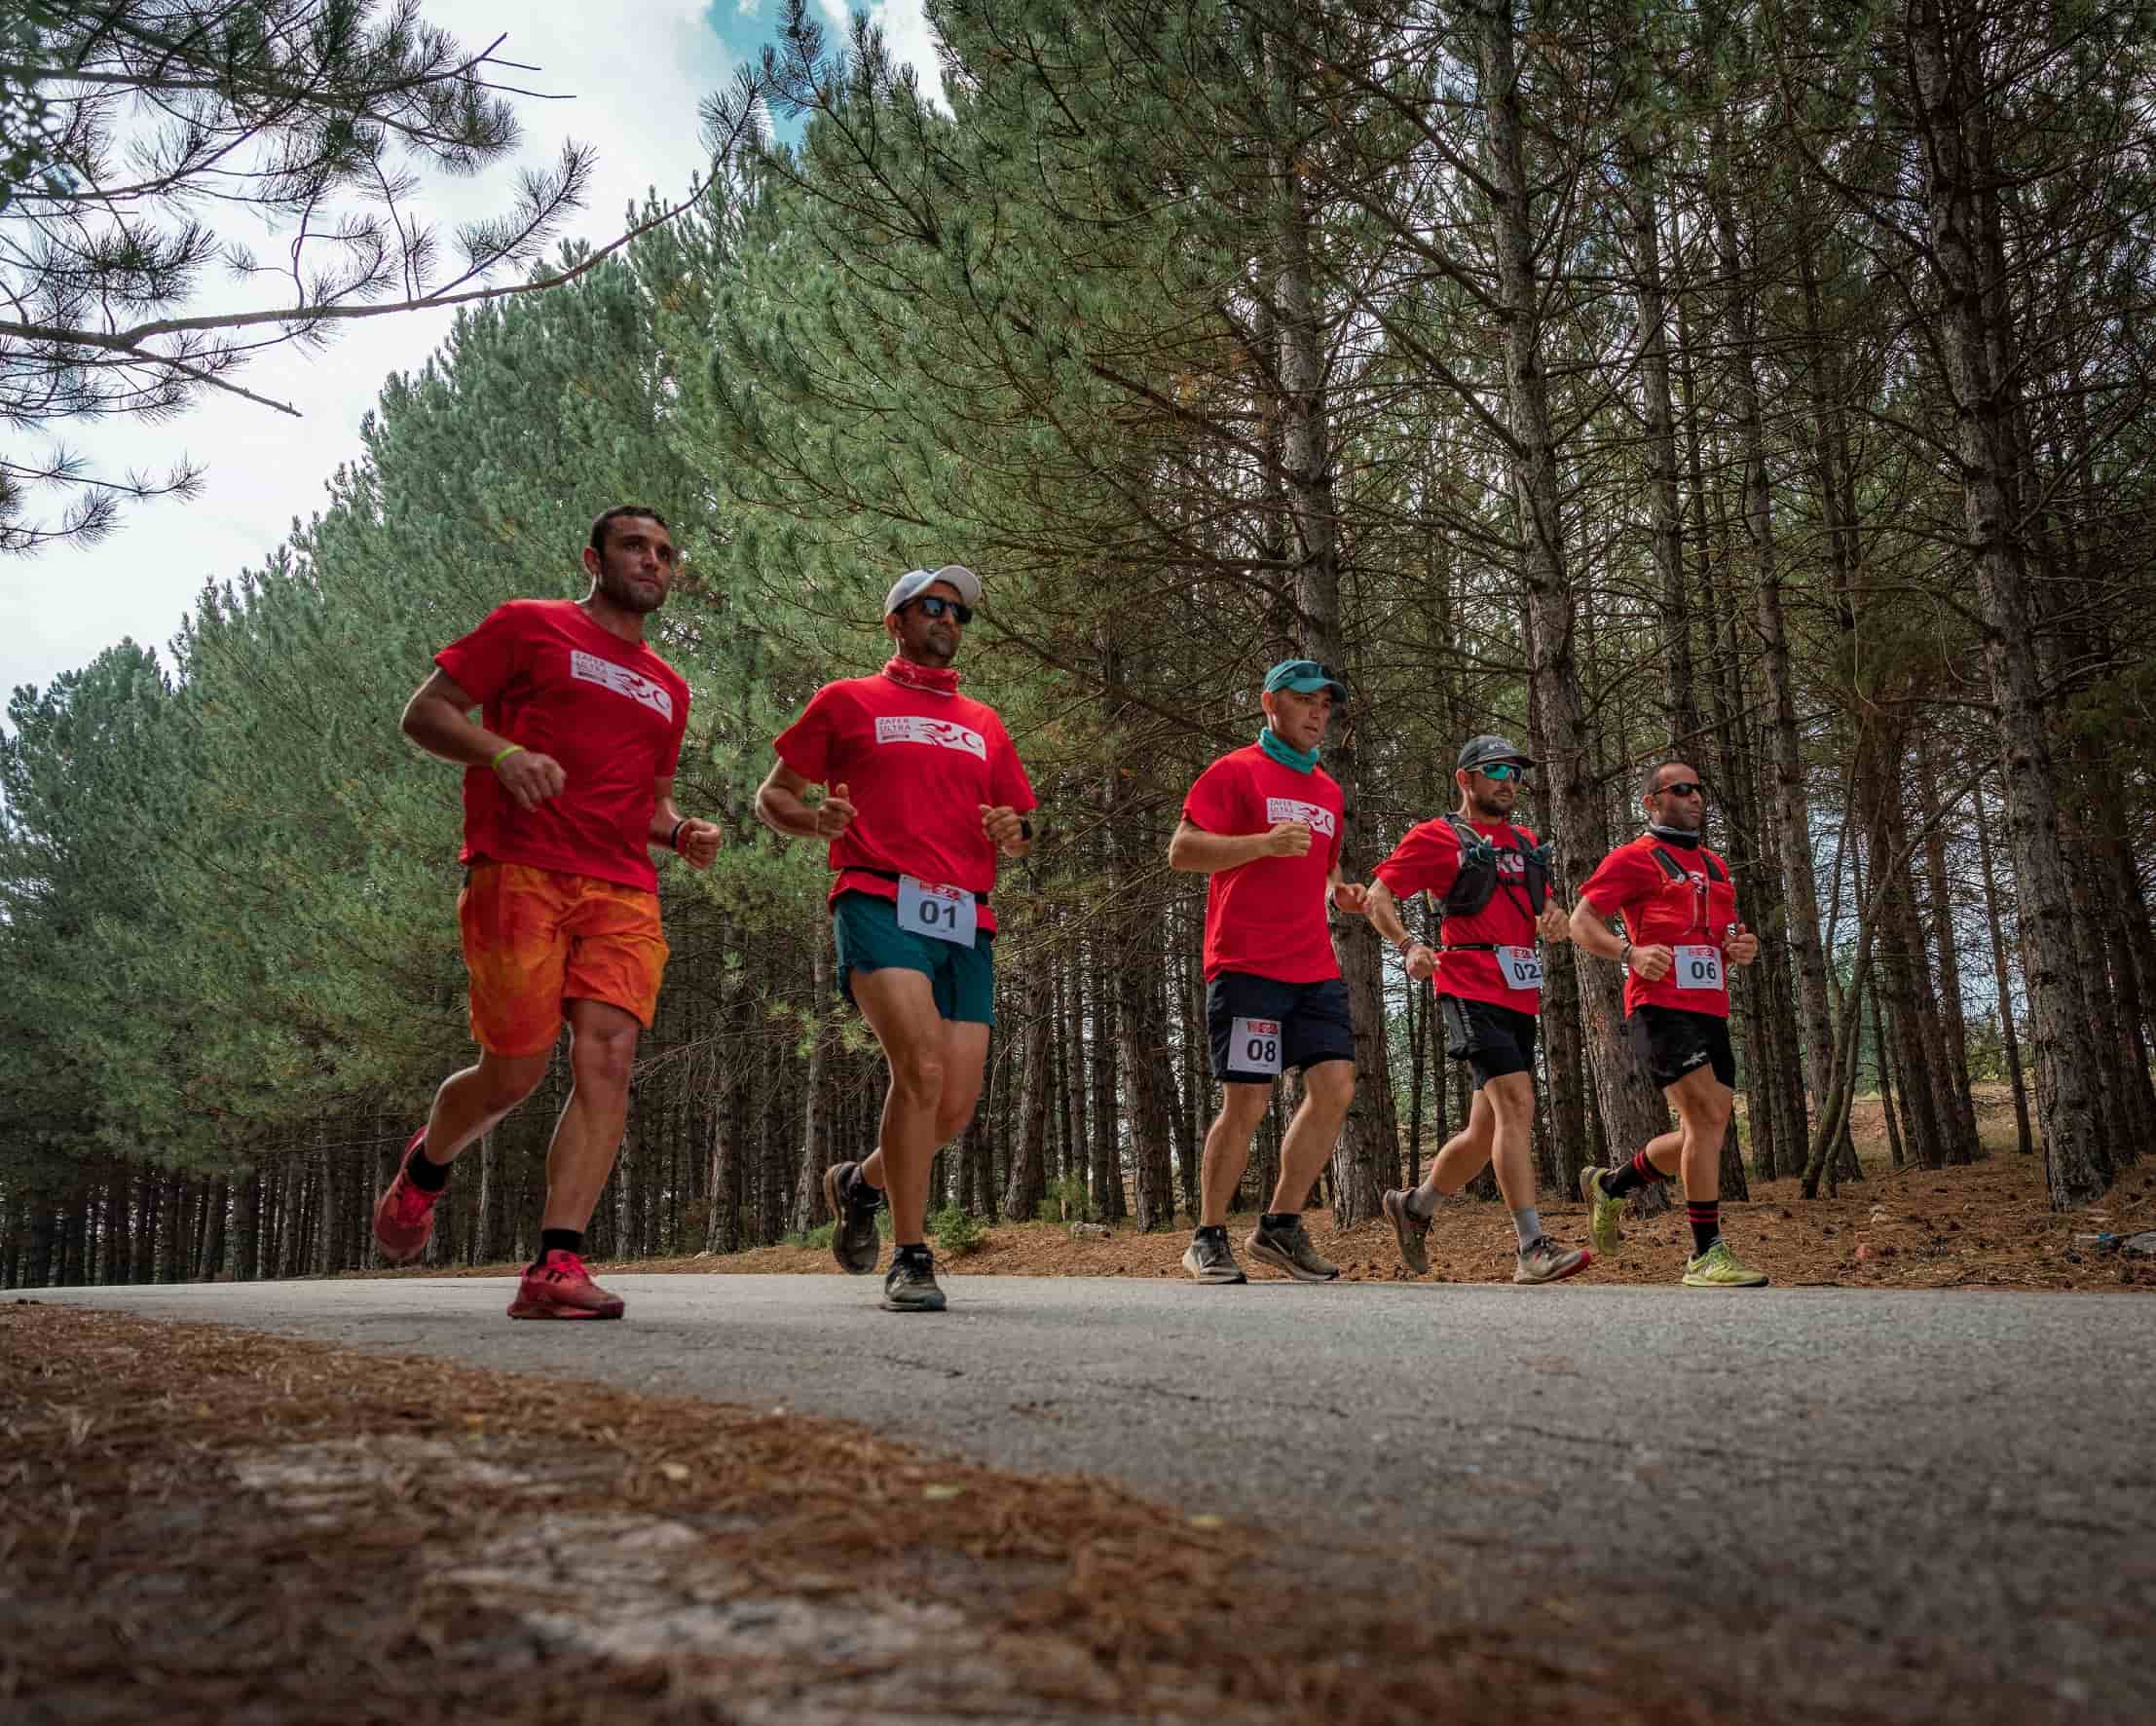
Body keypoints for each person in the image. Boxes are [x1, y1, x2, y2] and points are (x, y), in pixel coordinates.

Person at [370, 507, 723, 1319]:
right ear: (592, 557)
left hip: (623, 888)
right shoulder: (528, 628)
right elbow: (424, 714)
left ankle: (555, 1265)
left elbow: (648, 806)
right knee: (514, 1074)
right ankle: (429, 1164)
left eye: (666, 553)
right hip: (519, 872)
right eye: (636, 546)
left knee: (611, 1056)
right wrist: (503, 753)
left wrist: (681, 833)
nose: (653, 562)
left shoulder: (671, 687)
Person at [755, 566, 1035, 1313]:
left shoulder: (983, 721)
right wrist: (810, 819)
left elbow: (1020, 821)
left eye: (958, 611)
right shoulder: (846, 701)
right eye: (931, 607)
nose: (947, 618)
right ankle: (912, 1254)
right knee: (921, 1070)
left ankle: (860, 1185)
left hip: (966, 916)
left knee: (954, 1107)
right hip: (879, 895)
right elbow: (772, 795)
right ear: (897, 622)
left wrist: (1016, 830)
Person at [1363, 734, 1591, 1284]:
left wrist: (1556, 921)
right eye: (1495, 770)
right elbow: (1376, 896)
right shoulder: (1437, 837)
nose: (1508, 780)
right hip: (1467, 984)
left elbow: (1547, 909)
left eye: (1515, 771)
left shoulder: (1526, 840)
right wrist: (1409, 946)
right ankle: (1532, 1247)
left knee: (1483, 1129)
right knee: (1517, 1104)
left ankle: (1415, 1207)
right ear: (1465, 779)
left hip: (1520, 992)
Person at [1171, 658, 1368, 1285]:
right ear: (1270, 704)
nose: (1317, 713)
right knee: (1249, 1100)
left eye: (1326, 704)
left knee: (1335, 1087)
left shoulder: (1329, 790)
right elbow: (1183, 851)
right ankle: (1206, 1236)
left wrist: (1341, 890)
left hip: (1313, 965)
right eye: (1305, 700)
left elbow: (1326, 864)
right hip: (1247, 962)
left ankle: (1279, 1227)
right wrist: (1259, 843)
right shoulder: (1234, 772)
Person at [1569, 762, 1767, 1287]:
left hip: (1711, 1008)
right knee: (1704, 1120)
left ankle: (1613, 1186)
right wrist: (1628, 952)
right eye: (1681, 789)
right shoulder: (1633, 859)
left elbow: (1727, 935)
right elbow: (1581, 922)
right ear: (1652, 802)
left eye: (1699, 788)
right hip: (1658, 1006)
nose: (1695, 797)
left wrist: (1742, 947)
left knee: (1706, 1129)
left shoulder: (1717, 867)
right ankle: (1706, 1253)